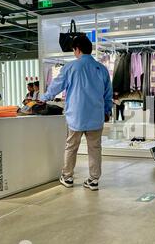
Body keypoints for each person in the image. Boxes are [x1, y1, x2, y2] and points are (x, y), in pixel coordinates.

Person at [40, 35, 112, 191]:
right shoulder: (102, 69)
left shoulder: (70, 67)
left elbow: (56, 86)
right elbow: (108, 94)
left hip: (76, 115)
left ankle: (67, 177)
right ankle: (93, 180)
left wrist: (44, 98)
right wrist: (107, 110)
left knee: (71, 146)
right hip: (95, 116)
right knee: (95, 148)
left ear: (77, 49)